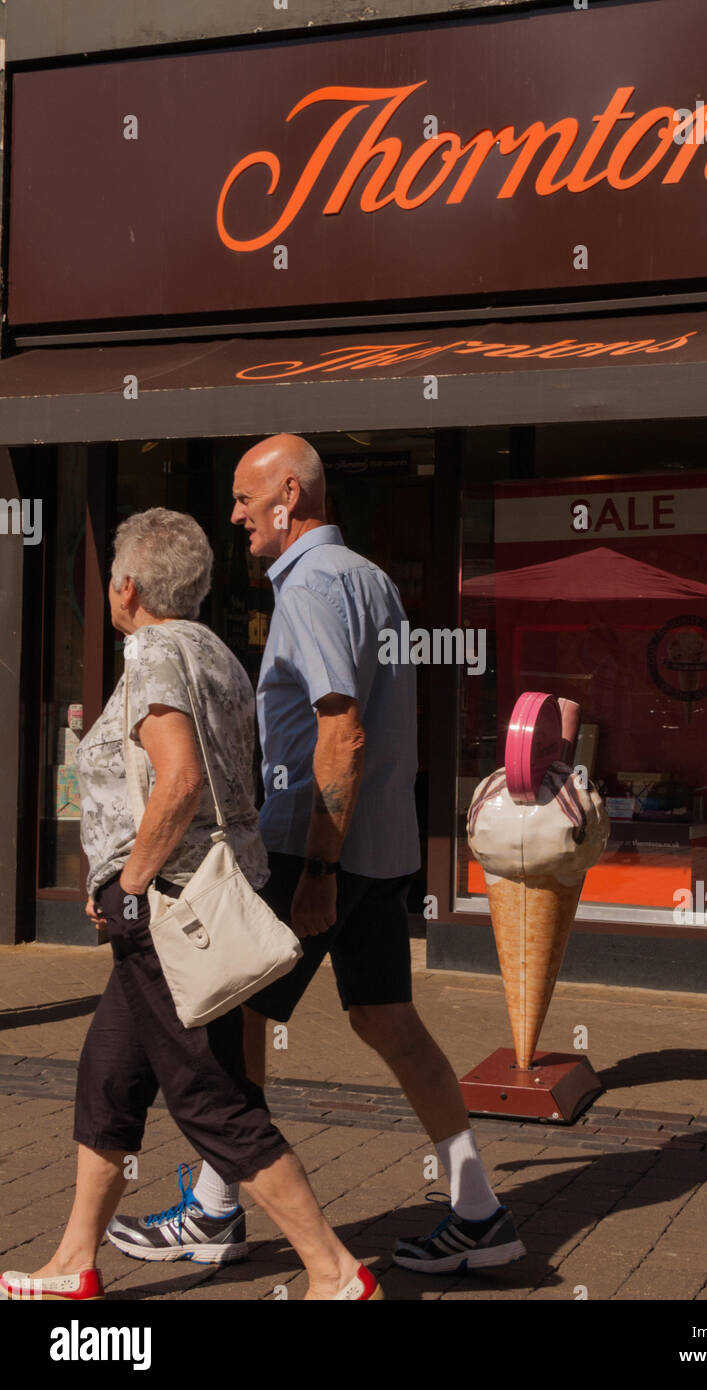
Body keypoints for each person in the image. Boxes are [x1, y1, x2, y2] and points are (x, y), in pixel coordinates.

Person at [108, 435, 526, 1274]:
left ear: (287, 498)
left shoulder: (312, 586)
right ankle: (478, 1209)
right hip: (384, 847)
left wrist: (320, 876)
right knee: (385, 1019)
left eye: (242, 499)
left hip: (316, 851)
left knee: (235, 1019)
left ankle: (221, 1213)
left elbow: (343, 732)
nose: (234, 517)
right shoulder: (370, 578)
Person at [1, 508, 381, 1302]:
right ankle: (74, 1260)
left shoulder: (155, 655)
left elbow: (178, 782)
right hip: (194, 900)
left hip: (170, 912)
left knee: (211, 1098)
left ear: (128, 587)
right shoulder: (214, 652)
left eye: (110, 577)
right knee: (108, 1078)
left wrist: (126, 886)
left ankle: (336, 1271)